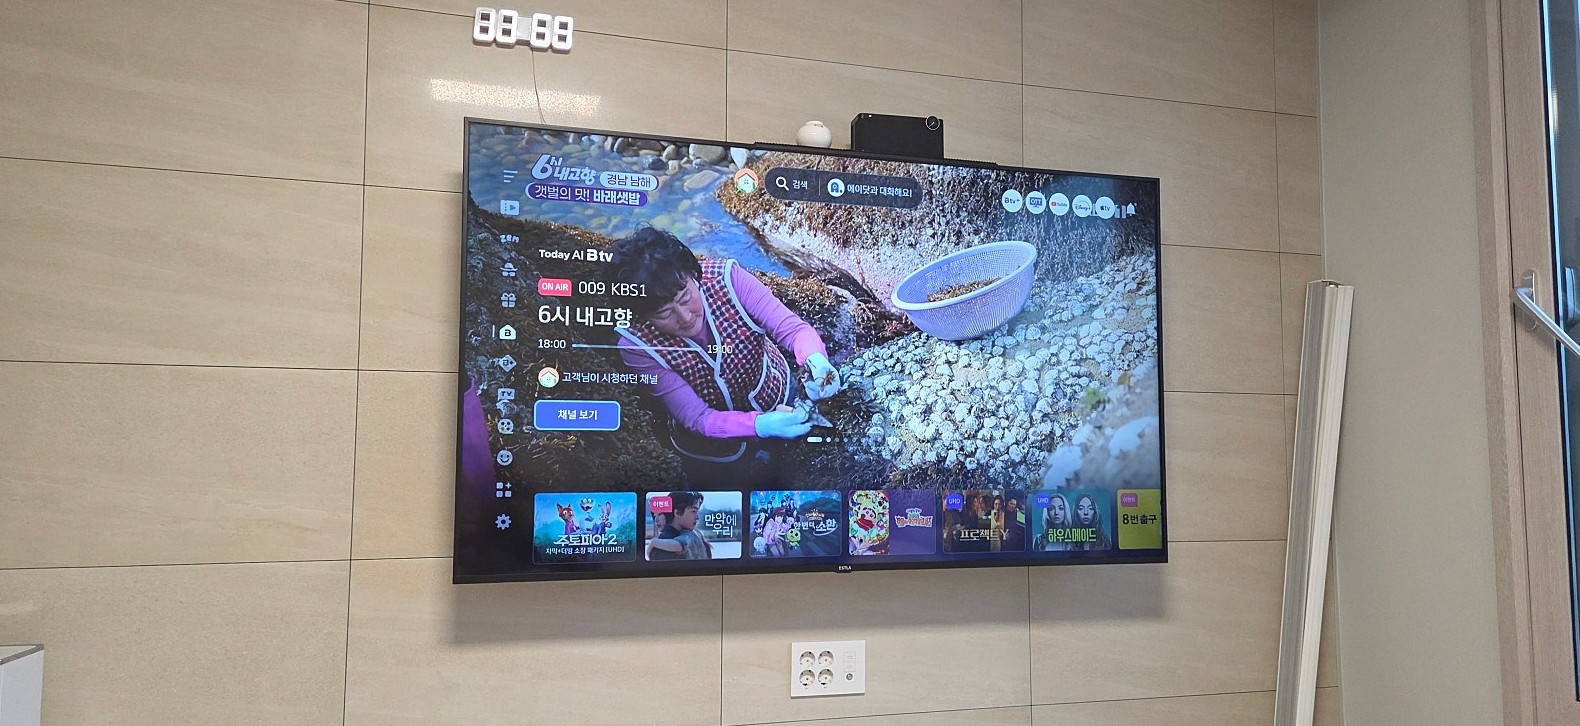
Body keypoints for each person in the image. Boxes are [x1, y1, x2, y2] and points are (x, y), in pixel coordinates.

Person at [607, 228, 843, 469]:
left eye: (685, 298)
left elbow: (795, 331)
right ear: (642, 315)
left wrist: (816, 361)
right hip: (712, 444)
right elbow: (697, 417)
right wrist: (759, 425)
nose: (685, 317)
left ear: (692, 275)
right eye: (664, 313)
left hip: (777, 391)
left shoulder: (729, 279)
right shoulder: (636, 346)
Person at [647, 491, 712, 560]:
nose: (697, 517)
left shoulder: (692, 535)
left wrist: (653, 542)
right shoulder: (665, 544)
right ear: (677, 513)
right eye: (693, 511)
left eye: (697, 511)